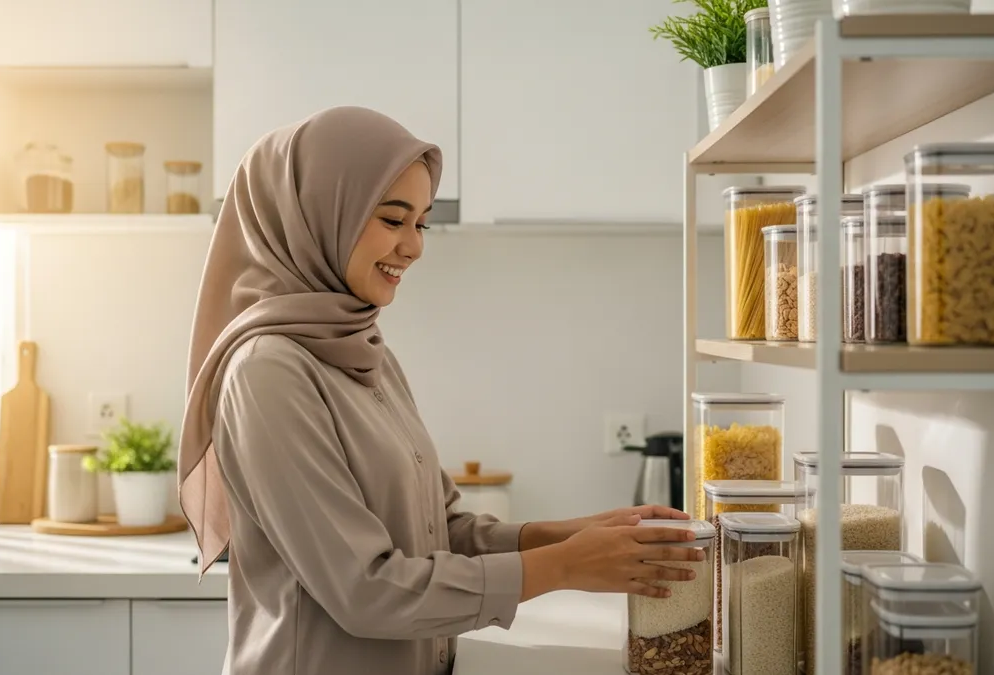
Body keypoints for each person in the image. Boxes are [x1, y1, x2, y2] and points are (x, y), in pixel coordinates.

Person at [178, 106, 704, 675]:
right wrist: (564, 567)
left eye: (421, 223)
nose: (413, 247)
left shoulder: (365, 350)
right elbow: (365, 589)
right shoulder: (268, 372)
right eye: (391, 219)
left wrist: (574, 534)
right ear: (319, 214)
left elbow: (442, 531)